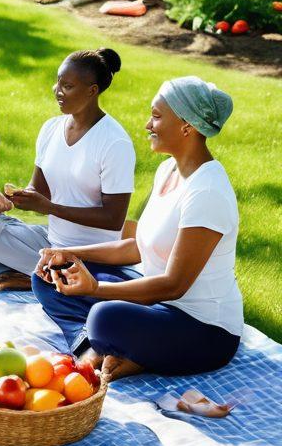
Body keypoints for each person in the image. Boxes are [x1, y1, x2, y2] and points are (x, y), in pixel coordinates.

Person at [31, 76, 242, 380]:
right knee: (52, 275)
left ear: (187, 126)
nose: (147, 124)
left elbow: (174, 285)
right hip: (154, 304)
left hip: (203, 329)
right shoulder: (168, 169)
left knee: (105, 316)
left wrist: (97, 289)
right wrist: (66, 252)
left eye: (156, 116)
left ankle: (110, 344)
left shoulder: (207, 191)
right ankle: (98, 348)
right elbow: (137, 246)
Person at [0, 48, 135, 290]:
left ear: (92, 91)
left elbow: (113, 219)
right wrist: (9, 200)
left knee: (69, 263)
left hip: (93, 254)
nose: (57, 90)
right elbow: (39, 190)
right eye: (58, 82)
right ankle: (48, 273)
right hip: (52, 240)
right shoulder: (50, 129)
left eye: (67, 86)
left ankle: (45, 275)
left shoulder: (114, 142)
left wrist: (49, 208)